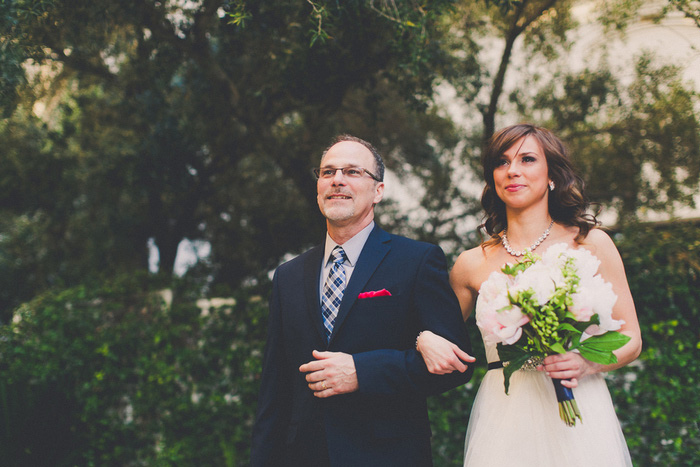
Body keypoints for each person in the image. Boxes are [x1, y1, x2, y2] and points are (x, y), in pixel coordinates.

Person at [415, 124, 642, 466]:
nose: (513, 171)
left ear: (552, 175)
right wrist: (422, 338)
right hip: (504, 414)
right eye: (502, 162)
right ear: (493, 179)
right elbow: (436, 335)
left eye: (528, 159)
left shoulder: (591, 243)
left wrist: (585, 362)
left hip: (581, 408)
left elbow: (631, 337)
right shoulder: (471, 264)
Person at [251, 135, 475, 467]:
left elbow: (457, 367)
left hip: (389, 455)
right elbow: (275, 389)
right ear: (318, 188)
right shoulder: (288, 275)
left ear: (378, 191)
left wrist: (362, 371)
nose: (337, 179)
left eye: (353, 171)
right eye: (328, 172)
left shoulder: (416, 260)